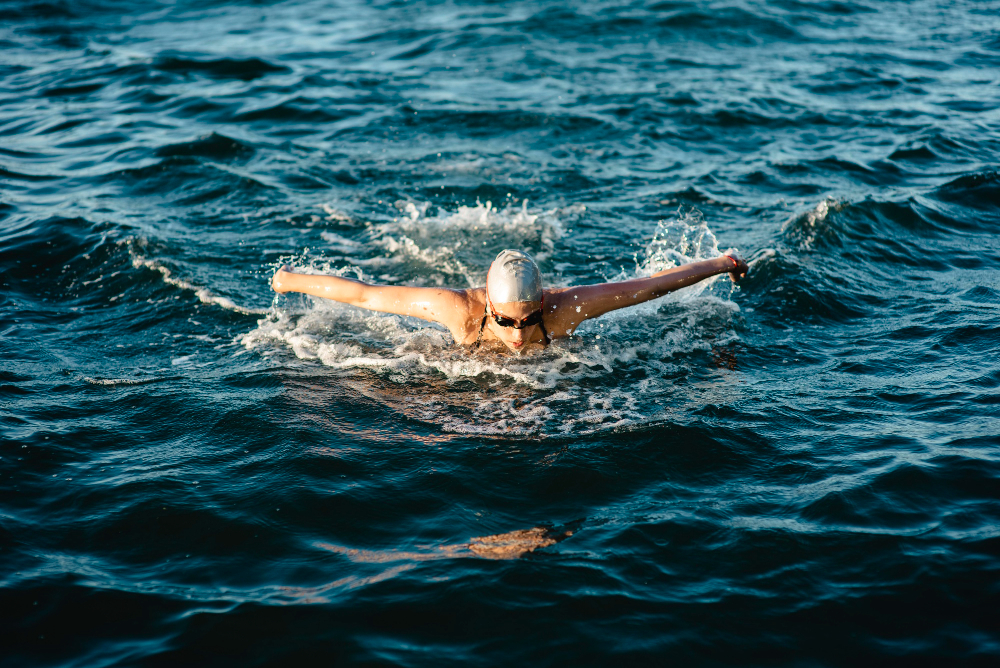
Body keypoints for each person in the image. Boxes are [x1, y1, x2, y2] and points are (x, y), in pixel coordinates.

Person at [271, 249, 748, 354]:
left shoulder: (566, 309)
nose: (519, 336)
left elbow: (649, 286)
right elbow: (366, 295)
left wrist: (722, 263)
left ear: (544, 304)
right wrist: (291, 280)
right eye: (507, 323)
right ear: (489, 309)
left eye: (529, 321)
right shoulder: (457, 310)